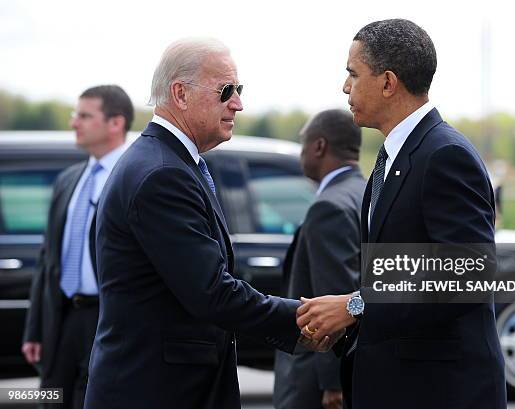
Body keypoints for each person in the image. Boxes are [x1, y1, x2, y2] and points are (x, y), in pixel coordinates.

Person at [83, 38, 338, 409]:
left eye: (239, 90)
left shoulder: (167, 163)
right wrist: (304, 320)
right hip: (157, 393)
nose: (238, 103)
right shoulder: (161, 174)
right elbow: (211, 292)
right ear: (180, 93)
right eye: (226, 91)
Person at [296, 19, 507, 409]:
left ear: (388, 82)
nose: (345, 87)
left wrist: (355, 305)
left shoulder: (444, 155)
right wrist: (349, 317)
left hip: (440, 391)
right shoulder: (392, 156)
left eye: (353, 75)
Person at [22, 85, 134, 409]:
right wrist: (35, 329)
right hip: (63, 319)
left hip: (107, 318)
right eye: (75, 114)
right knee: (51, 398)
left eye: (84, 116)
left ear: (115, 123)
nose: (74, 123)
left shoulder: (132, 178)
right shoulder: (69, 179)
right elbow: (48, 260)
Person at [274, 109, 366, 409]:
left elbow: (333, 297)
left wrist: (333, 383)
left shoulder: (328, 207)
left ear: (319, 146)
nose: (301, 152)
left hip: (315, 380)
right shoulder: (366, 194)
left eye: (303, 143)